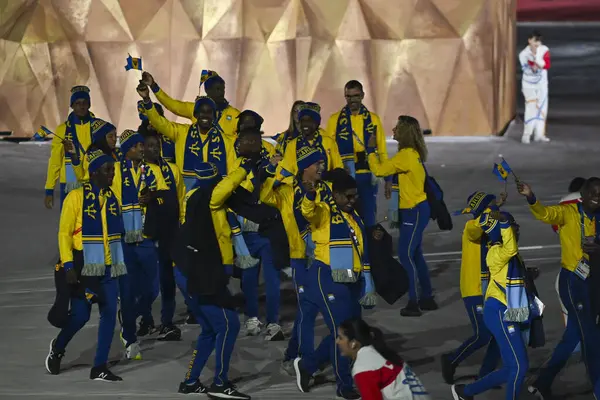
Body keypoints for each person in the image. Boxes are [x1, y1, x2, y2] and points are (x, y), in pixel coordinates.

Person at [174, 160, 256, 400]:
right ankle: (220, 383)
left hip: (193, 272)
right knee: (229, 325)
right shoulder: (207, 199)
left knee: (210, 330)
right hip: (199, 275)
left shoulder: (196, 198)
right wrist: (245, 167)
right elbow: (224, 188)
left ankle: (190, 381)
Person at [293, 169, 376, 400]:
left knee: (348, 332)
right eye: (347, 196)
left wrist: (366, 281)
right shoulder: (325, 211)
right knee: (344, 334)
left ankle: (308, 366)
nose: (352, 200)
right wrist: (310, 196)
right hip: (326, 277)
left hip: (351, 279)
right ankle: (344, 385)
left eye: (355, 196)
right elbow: (307, 211)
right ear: (336, 195)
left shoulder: (354, 217)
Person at [45, 149, 127, 381]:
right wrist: (69, 265)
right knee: (80, 317)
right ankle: (58, 346)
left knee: (109, 314)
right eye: (107, 170)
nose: (112, 174)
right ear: (93, 173)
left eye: (113, 169)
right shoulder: (76, 197)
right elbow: (64, 233)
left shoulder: (113, 198)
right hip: (85, 268)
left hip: (109, 268)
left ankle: (99, 366)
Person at [517, 178, 600, 399]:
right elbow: (545, 214)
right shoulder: (569, 213)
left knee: (573, 335)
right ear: (583, 194)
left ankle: (543, 382)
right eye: (593, 194)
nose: (597, 199)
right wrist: (531, 197)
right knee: (591, 336)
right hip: (573, 281)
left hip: (593, 282)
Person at [452, 211, 530, 400]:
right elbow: (509, 250)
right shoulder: (495, 252)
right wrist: (503, 224)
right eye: (511, 225)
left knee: (512, 367)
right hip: (498, 311)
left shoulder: (509, 253)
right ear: (500, 231)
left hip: (505, 310)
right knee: (520, 367)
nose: (516, 227)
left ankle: (465, 392)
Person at [367, 115, 435, 317]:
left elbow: (379, 170)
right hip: (417, 209)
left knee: (406, 255)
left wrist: (371, 150)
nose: (393, 130)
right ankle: (427, 297)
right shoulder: (410, 154)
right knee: (415, 254)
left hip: (413, 211)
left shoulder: (405, 155)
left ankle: (414, 302)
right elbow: (390, 169)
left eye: (397, 127)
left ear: (404, 132)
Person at [441, 192, 507, 384]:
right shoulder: (472, 226)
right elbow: (481, 225)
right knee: (483, 334)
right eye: (491, 205)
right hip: (474, 289)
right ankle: (451, 359)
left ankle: (486, 373)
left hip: (490, 288)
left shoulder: (487, 222)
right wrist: (494, 210)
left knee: (497, 333)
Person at [137, 83, 237, 191]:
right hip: (187, 198)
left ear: (214, 116)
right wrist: (147, 99)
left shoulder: (226, 141)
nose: (205, 115)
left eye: (209, 112)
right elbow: (158, 122)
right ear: (195, 115)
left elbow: (231, 175)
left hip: (216, 198)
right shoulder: (181, 133)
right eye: (201, 112)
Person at [138, 128, 187, 338]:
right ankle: (145, 320)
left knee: (168, 280)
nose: (154, 149)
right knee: (149, 283)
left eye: (156, 146)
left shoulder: (173, 169)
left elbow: (181, 197)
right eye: (149, 146)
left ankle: (167, 322)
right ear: (142, 149)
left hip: (171, 231)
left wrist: (183, 224)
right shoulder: (137, 172)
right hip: (147, 233)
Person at [324, 80, 391, 227]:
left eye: (356, 96)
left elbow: (382, 151)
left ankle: (368, 249)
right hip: (345, 176)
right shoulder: (335, 120)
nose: (352, 100)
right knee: (346, 218)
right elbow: (328, 151)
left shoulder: (373, 119)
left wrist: (388, 179)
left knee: (368, 219)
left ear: (362, 95)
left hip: (367, 175)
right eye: (348, 96)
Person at [338, 318, 430, 400]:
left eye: (341, 338)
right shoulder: (381, 352)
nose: (337, 341)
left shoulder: (363, 368)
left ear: (353, 343)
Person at [140, 70, 240, 137]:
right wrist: (153, 86)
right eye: (217, 89)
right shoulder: (196, 108)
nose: (221, 92)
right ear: (207, 90)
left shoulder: (235, 114)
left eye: (222, 89)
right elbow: (172, 105)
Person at [44, 85, 95, 210]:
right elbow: (55, 161)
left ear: (89, 104)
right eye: (77, 103)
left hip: (94, 181)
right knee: (70, 224)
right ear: (72, 106)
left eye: (84, 103)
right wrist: (49, 189)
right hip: (69, 184)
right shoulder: (62, 130)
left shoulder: (98, 127)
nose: (81, 106)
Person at [277, 102, 343, 182]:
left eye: (309, 120)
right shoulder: (292, 145)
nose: (305, 124)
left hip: (327, 191)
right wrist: (300, 180)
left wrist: (324, 176)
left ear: (317, 123)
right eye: (302, 120)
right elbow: (285, 175)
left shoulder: (329, 142)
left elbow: (339, 170)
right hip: (300, 191)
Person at [519, 30, 551, 144]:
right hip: (528, 84)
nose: (537, 43)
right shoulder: (523, 54)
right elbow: (527, 69)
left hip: (541, 84)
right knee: (531, 107)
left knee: (542, 107)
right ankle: (526, 134)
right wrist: (534, 65)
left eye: (539, 41)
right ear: (529, 41)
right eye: (535, 40)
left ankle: (539, 134)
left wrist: (538, 60)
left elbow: (547, 65)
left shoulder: (544, 50)